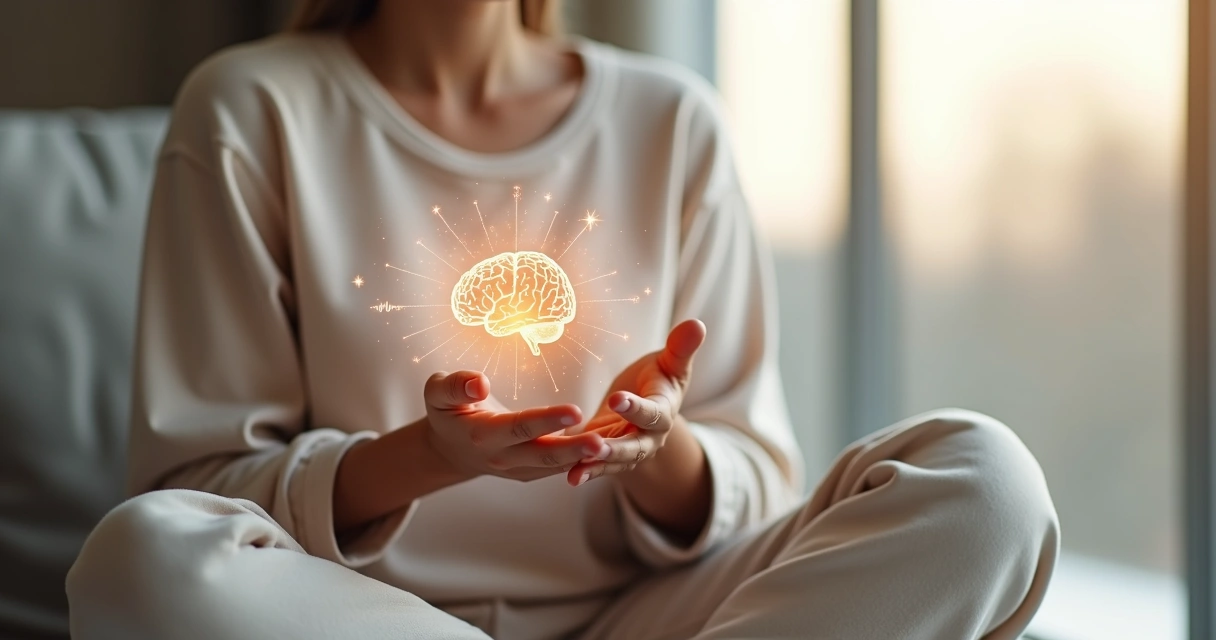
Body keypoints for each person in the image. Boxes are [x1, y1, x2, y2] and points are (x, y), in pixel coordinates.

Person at [66, 1, 1059, 638]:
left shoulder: (672, 120)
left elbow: (758, 485)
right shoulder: (252, 107)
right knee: (139, 556)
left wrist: (656, 447)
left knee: (985, 483)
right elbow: (197, 487)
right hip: (367, 618)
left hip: (659, 615)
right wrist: (433, 455)